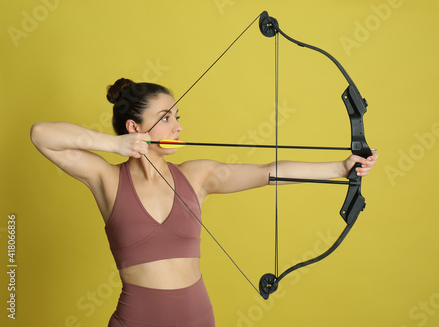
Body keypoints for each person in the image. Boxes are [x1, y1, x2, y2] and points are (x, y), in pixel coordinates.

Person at [30, 78, 378, 326]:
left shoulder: (196, 176)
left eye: (178, 116)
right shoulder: (107, 179)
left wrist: (341, 167)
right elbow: (41, 135)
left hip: (198, 318)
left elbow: (268, 172)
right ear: (135, 127)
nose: (178, 126)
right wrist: (112, 144)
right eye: (166, 118)